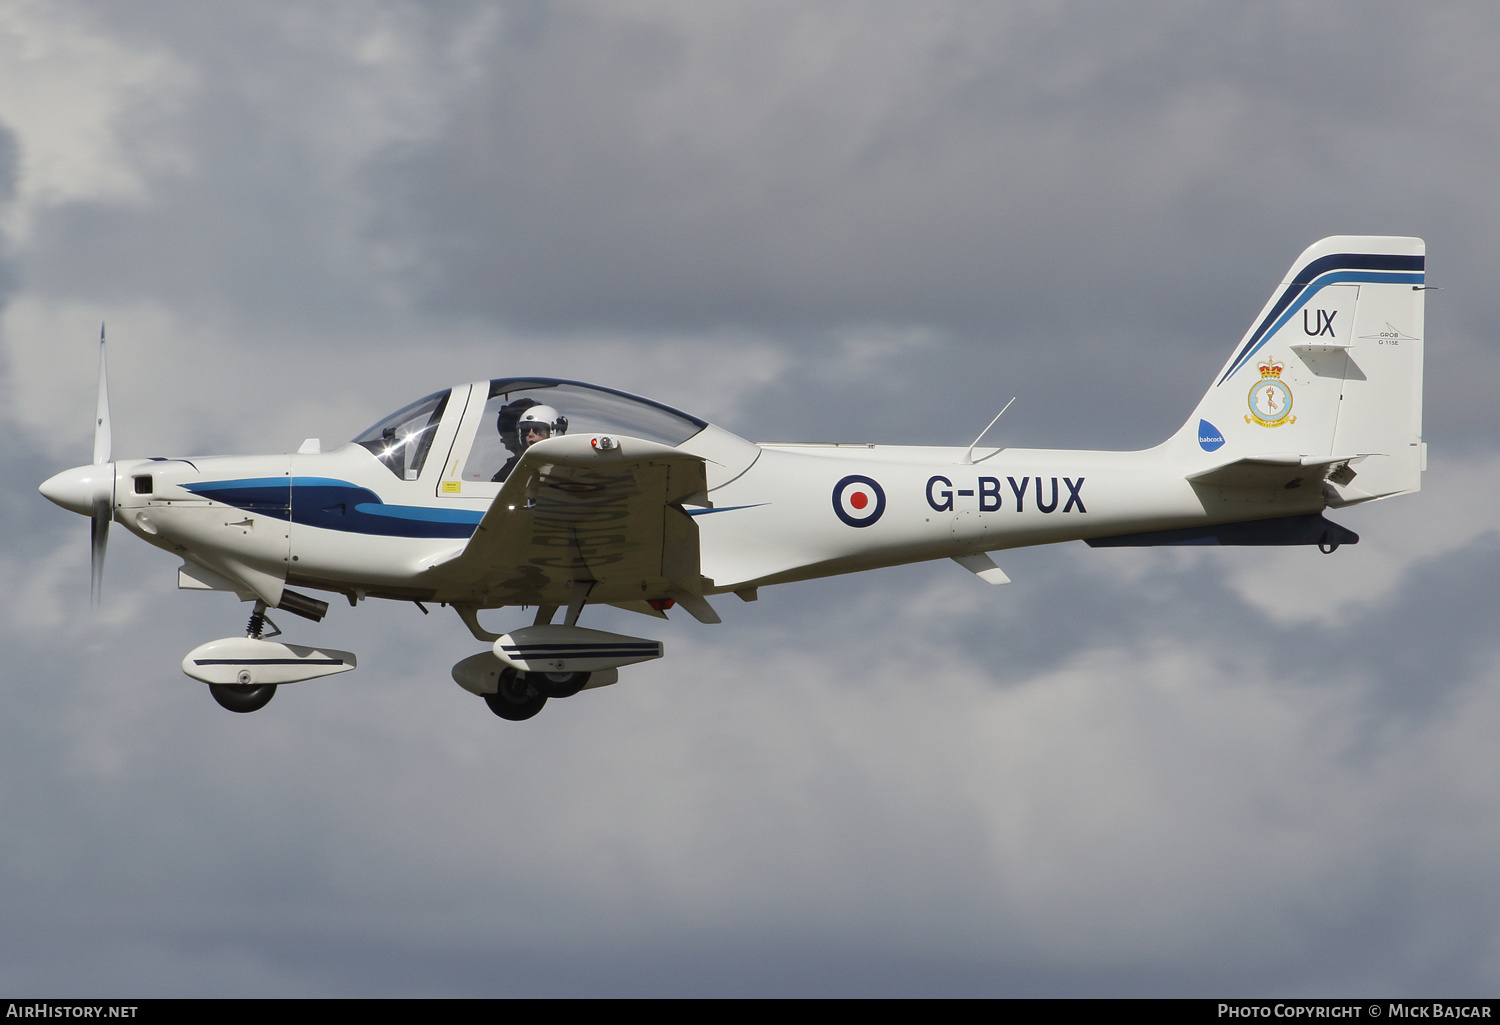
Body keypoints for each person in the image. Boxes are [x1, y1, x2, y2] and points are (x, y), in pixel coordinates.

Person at [492, 400, 568, 481]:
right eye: (525, 430)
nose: (530, 434)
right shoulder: (511, 470)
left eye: (537, 429)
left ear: (553, 431)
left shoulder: (566, 469)